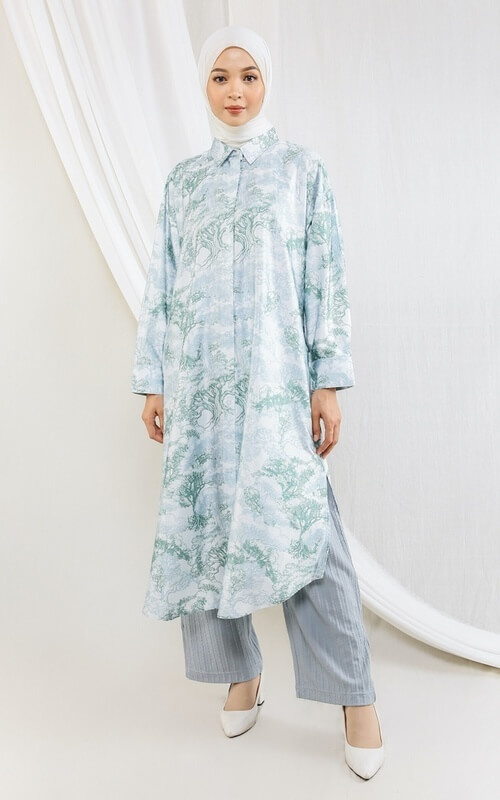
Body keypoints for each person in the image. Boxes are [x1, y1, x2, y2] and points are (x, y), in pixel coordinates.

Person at [131, 24, 385, 780]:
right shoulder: (184, 184)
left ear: (267, 82)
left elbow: (324, 279)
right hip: (201, 388)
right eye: (220, 77)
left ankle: (356, 697)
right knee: (209, 528)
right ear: (204, 86)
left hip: (276, 386)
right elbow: (162, 285)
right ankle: (239, 674)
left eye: (248, 76)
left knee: (306, 533)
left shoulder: (301, 172)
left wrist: (326, 380)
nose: (234, 91)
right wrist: (154, 379)